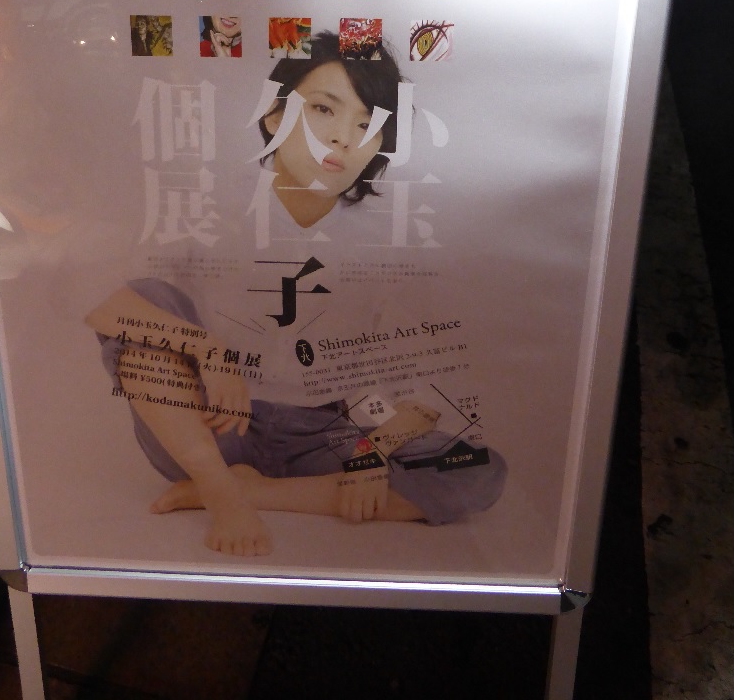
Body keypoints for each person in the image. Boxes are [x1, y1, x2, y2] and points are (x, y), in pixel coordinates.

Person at [87, 33, 506, 556]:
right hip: (213, 424)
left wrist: (370, 455)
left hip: (327, 436)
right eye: (323, 109)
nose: (343, 138)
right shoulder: (207, 211)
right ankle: (219, 488)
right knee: (148, 303)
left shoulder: (388, 242)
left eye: (367, 125)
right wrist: (209, 350)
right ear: (273, 117)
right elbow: (107, 306)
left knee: (477, 468)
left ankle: (254, 492)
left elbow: (421, 388)